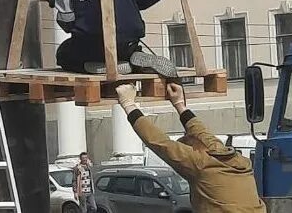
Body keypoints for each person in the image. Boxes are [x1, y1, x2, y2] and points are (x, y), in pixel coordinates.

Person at [114, 81, 267, 213]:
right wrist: (179, 104)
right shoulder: (231, 158)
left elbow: (160, 143)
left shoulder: (200, 165)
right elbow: (201, 132)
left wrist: (129, 105)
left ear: (195, 151)